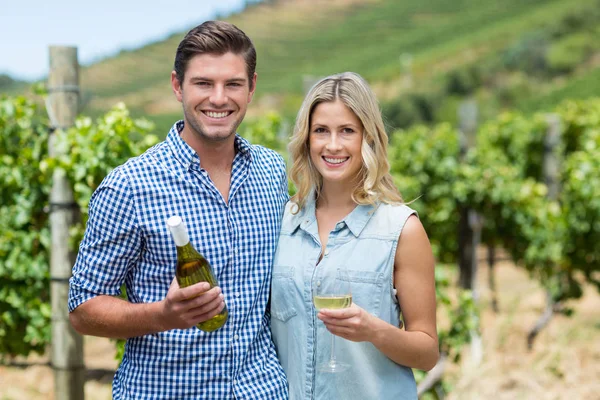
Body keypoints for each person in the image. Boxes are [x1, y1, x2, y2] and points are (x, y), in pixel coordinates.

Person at [68, 21, 289, 399]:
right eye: (203, 83)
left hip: (263, 389)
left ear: (252, 88)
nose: (219, 99)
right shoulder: (130, 186)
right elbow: (83, 308)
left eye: (233, 84)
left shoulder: (272, 171)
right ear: (177, 86)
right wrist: (163, 315)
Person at [270, 72, 439, 399]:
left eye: (347, 131)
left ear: (368, 138)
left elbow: (427, 352)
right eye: (321, 131)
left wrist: (374, 331)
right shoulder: (282, 222)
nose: (333, 145)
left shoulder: (400, 229)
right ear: (307, 138)